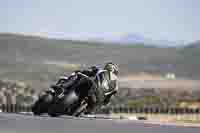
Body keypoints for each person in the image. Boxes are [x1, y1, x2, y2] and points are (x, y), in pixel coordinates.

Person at [53, 62, 119, 114]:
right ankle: (63, 86)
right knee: (77, 74)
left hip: (96, 94)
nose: (110, 68)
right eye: (109, 66)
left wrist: (101, 103)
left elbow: (108, 97)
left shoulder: (113, 83)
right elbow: (108, 99)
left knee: (89, 108)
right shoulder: (100, 71)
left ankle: (83, 108)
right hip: (90, 87)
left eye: (111, 67)